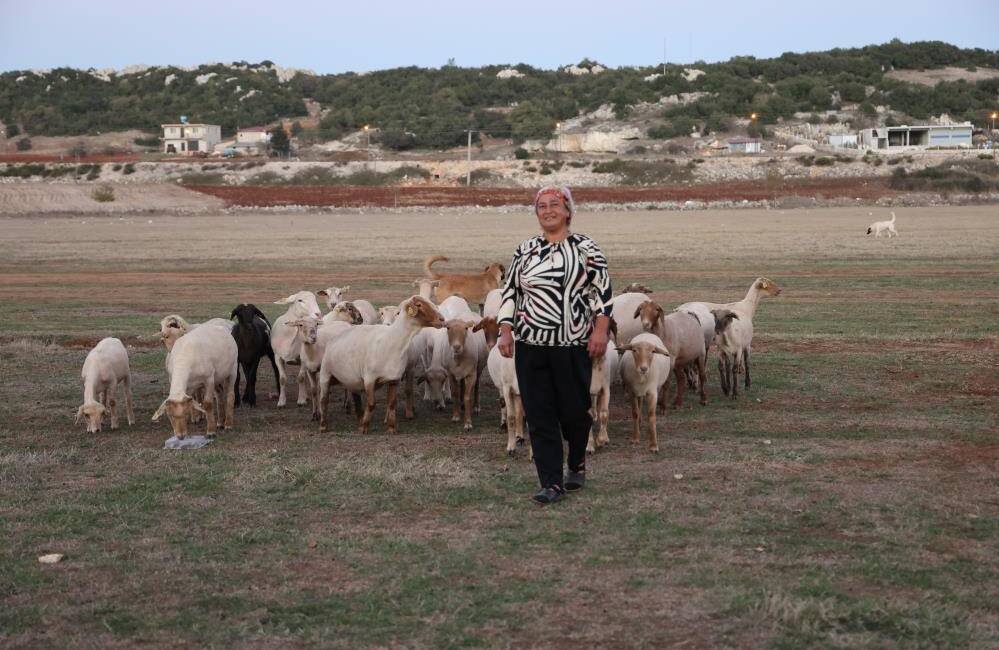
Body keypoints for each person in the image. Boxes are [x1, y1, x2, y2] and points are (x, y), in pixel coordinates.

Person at [497, 186, 612, 504]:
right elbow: (511, 294)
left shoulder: (586, 249)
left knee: (575, 412)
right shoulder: (525, 250)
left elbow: (601, 293)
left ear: (567, 211)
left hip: (573, 343)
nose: (547, 210)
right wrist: (505, 331)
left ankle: (576, 462)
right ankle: (551, 482)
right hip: (531, 343)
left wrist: (600, 331)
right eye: (541, 206)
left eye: (554, 205)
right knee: (538, 412)